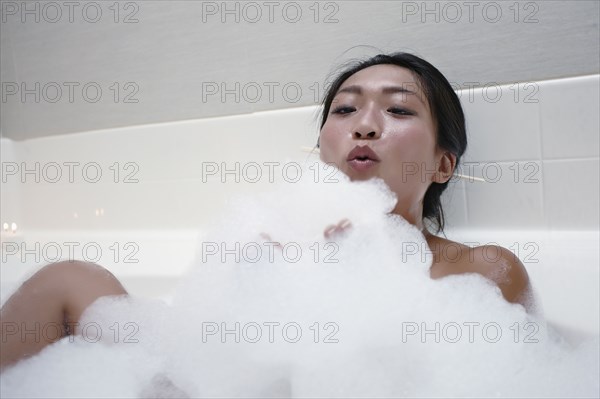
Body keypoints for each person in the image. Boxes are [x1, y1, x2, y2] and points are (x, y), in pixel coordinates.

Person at [0, 52, 532, 370]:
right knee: (70, 275)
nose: (364, 124)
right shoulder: (268, 242)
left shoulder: (480, 272)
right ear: (322, 146)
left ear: (443, 165)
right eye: (345, 109)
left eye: (397, 109)